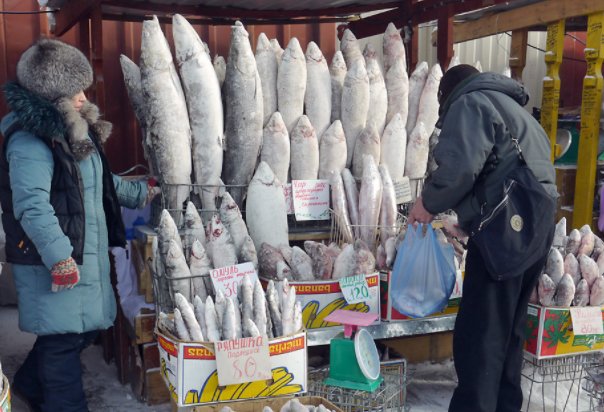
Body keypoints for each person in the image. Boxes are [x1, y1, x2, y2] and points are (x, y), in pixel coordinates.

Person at [0, 38, 158, 411]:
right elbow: (32, 206)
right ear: (52, 94)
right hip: (54, 260)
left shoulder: (76, 132)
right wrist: (60, 259)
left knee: (80, 332)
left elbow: (100, 180)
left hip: (83, 254)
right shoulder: (29, 142)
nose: (83, 96)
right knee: (61, 346)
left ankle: (29, 386)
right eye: (75, 90)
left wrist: (140, 194)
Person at [408, 64, 557, 412]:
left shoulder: (470, 103)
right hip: (538, 222)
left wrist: (427, 203)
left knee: (482, 331)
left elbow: (459, 167)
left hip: (509, 227)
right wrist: (472, 217)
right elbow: (502, 169)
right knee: (509, 330)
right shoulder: (512, 108)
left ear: (446, 96)